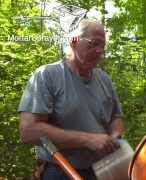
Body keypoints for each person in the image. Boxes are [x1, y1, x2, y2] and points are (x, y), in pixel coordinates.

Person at [18, 19, 124, 179]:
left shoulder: (104, 80)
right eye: (94, 43)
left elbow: (116, 117)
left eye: (102, 46)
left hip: (102, 169)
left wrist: (114, 138)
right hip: (61, 170)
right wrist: (88, 140)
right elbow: (28, 131)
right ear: (74, 41)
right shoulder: (47, 75)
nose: (99, 51)